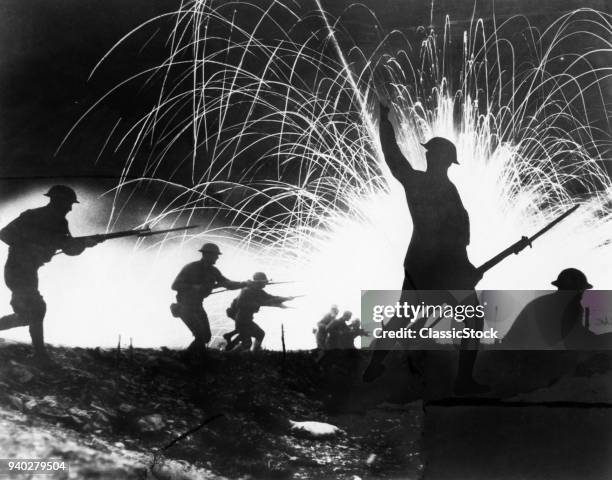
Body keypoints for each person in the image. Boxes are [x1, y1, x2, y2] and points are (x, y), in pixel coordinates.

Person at [363, 100, 486, 395]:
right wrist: (465, 268)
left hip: (419, 262)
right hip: (443, 265)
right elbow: (453, 236)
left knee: (404, 314)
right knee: (473, 317)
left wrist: (385, 121)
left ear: (439, 158)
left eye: (431, 152)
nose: (428, 155)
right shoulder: (439, 188)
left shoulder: (418, 183)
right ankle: (463, 380)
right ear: (449, 161)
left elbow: (393, 157)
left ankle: (375, 363)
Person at [0, 186, 101, 364]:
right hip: (17, 269)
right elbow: (5, 234)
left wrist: (85, 243)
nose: (70, 208)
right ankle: (40, 355)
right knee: (36, 310)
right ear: (58, 201)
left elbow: (69, 249)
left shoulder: (61, 223)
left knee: (30, 314)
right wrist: (34, 245)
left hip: (28, 271)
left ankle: (40, 354)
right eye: (68, 204)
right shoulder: (31, 216)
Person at [503, 268, 612, 349]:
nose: (582, 293)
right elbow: (574, 339)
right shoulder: (569, 307)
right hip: (529, 360)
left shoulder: (542, 302)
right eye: (581, 289)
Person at [170, 242, 247, 357]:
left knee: (205, 337)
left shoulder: (213, 271)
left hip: (197, 306)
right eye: (215, 255)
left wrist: (245, 284)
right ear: (207, 255)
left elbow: (227, 283)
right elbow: (175, 285)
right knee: (200, 335)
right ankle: (185, 357)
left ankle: (194, 357)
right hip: (185, 306)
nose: (217, 257)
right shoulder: (191, 267)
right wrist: (194, 286)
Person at [225, 272, 293, 351]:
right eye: (264, 281)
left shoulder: (258, 291)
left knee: (260, 334)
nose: (266, 283)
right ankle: (232, 355)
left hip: (246, 320)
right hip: (242, 320)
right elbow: (240, 304)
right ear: (258, 282)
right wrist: (258, 303)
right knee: (247, 343)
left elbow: (270, 298)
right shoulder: (247, 290)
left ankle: (253, 351)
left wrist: (286, 298)